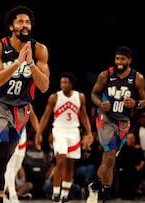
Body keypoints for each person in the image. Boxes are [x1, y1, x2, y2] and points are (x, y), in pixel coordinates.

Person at [0, 5, 50, 203]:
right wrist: (17, 63)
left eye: (28, 22)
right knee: (2, 152)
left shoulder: (39, 49)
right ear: (11, 26)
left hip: (21, 108)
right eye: (20, 21)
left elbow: (44, 86)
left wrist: (29, 64)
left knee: (2, 160)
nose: (25, 25)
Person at [87, 46, 145, 203]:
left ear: (129, 60)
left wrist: (135, 103)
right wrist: (101, 103)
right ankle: (106, 199)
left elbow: (143, 102)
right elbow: (93, 94)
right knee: (111, 156)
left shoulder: (138, 78)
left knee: (108, 159)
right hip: (105, 119)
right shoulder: (105, 75)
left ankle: (95, 186)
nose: (119, 62)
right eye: (117, 58)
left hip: (123, 122)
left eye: (123, 59)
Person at [35, 72, 93, 203]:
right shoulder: (54, 97)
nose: (63, 84)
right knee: (60, 160)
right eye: (61, 82)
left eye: (66, 82)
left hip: (74, 131)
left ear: (71, 84)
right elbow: (45, 116)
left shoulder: (80, 97)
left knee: (70, 164)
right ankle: (56, 193)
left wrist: (89, 133)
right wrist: (39, 133)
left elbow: (83, 116)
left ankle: (65, 194)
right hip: (59, 131)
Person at [4, 104, 38, 203]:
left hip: (22, 136)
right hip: (11, 134)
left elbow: (33, 116)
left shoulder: (27, 103)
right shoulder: (8, 101)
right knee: (10, 165)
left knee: (17, 166)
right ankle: (12, 195)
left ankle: (2, 191)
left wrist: (38, 132)